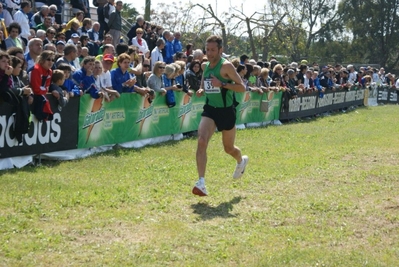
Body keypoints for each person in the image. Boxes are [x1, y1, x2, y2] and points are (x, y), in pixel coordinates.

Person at [192, 35, 248, 197]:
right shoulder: (205, 66)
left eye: (212, 50)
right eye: (207, 50)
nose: (209, 53)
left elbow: (242, 87)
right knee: (202, 141)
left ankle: (241, 161)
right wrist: (202, 89)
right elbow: (205, 82)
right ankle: (201, 182)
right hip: (210, 109)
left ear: (220, 50)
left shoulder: (227, 66)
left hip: (226, 111)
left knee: (229, 148)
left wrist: (223, 84)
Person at [30, 50, 54, 121]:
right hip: (31, 94)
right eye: (48, 59)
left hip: (40, 94)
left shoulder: (49, 71)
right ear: (42, 59)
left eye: (52, 60)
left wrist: (43, 90)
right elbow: (36, 89)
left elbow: (47, 87)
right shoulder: (36, 69)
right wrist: (43, 90)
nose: (51, 62)